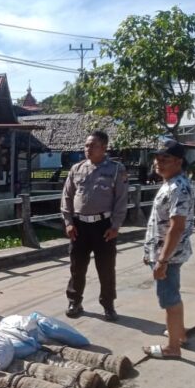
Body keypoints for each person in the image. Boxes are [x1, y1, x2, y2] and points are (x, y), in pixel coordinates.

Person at [60, 130, 128, 321]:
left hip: (103, 226)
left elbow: (121, 199)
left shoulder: (115, 169)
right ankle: (74, 301)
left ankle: (108, 304)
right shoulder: (77, 169)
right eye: (86, 145)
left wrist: (115, 226)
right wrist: (68, 222)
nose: (87, 149)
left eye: (93, 145)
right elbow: (67, 196)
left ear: (104, 147)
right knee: (77, 266)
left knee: (106, 268)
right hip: (79, 226)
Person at [142, 139, 195, 359]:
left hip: (169, 255)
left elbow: (177, 226)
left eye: (165, 159)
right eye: (157, 158)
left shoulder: (178, 187)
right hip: (166, 252)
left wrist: (162, 261)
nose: (159, 163)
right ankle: (179, 334)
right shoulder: (171, 182)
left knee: (169, 298)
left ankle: (173, 347)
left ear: (179, 161)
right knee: (173, 294)